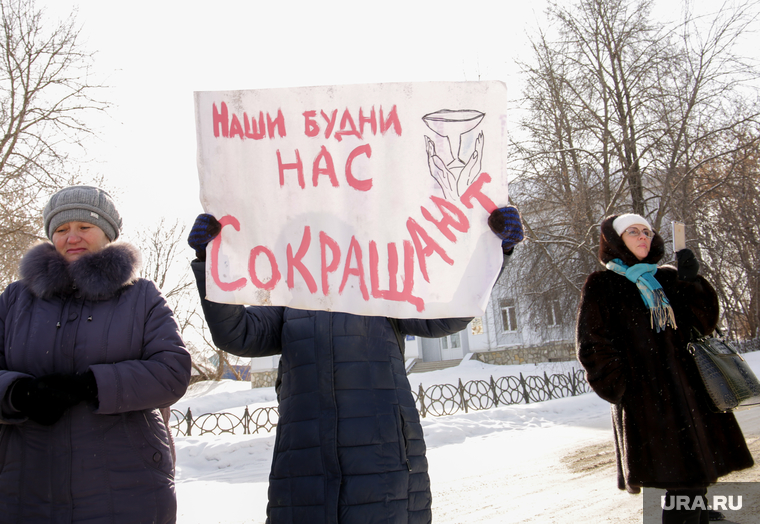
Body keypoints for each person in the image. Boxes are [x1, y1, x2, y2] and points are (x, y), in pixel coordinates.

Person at [187, 206, 524, 524]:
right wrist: (212, 262)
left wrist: (493, 252)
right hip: (304, 476)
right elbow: (236, 333)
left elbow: (446, 313)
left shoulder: (383, 287)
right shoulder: (288, 299)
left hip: (384, 472)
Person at [0, 186, 192, 523]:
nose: (72, 237)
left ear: (107, 234)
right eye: (61, 229)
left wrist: (92, 385)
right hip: (24, 488)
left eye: (84, 227)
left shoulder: (142, 297)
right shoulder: (15, 300)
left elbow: (171, 371)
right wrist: (19, 393)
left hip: (126, 488)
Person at [576, 213, 753, 524]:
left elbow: (703, 322)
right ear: (616, 240)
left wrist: (691, 280)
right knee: (682, 486)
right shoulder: (603, 285)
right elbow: (593, 345)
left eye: (647, 231)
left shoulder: (667, 278)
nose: (643, 236)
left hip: (694, 396)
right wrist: (624, 388)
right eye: (633, 232)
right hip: (649, 403)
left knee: (693, 484)